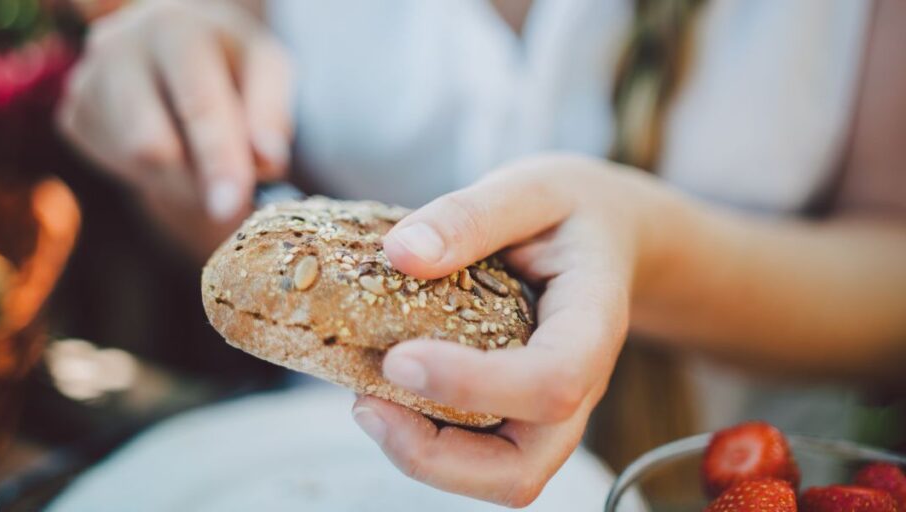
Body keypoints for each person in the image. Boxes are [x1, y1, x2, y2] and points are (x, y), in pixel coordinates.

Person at [56, 0, 906, 506]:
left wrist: (646, 254)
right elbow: (252, 259)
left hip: (726, 488)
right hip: (326, 468)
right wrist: (179, 113)